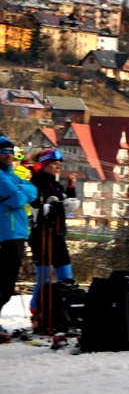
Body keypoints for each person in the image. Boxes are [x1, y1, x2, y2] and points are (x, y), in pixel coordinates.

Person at [27, 149, 81, 330]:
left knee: (66, 277)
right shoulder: (35, 183)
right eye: (54, 164)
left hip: (58, 236)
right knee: (43, 278)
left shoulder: (56, 185)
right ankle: (36, 313)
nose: (58, 167)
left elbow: (67, 205)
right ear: (44, 165)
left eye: (59, 164)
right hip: (41, 236)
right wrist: (47, 207)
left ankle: (65, 312)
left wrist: (71, 187)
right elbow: (36, 207)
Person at [0, 137, 38, 341]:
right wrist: (20, 192)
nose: (8, 155)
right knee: (4, 286)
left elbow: (33, 191)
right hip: (6, 234)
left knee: (6, 286)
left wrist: (19, 191)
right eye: (4, 152)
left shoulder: (11, 175)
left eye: (10, 151)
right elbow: (17, 199)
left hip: (17, 233)